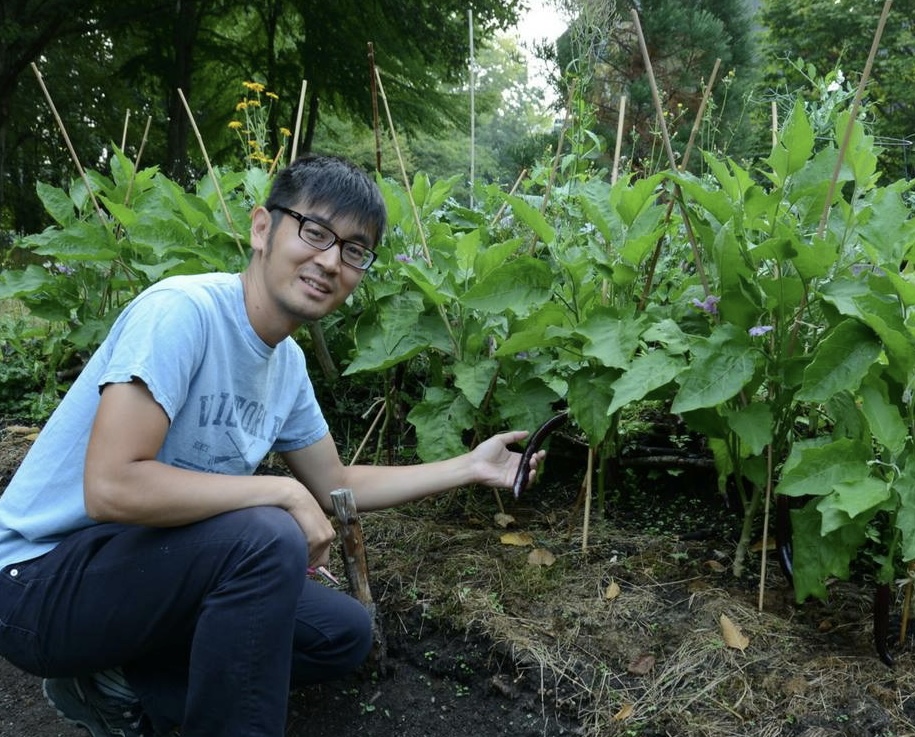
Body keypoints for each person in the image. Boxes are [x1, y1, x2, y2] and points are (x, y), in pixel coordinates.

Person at [0, 154, 545, 737]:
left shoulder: (286, 365)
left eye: (354, 250)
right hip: (39, 585)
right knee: (266, 534)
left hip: (140, 577)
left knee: (341, 632)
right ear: (263, 228)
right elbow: (111, 486)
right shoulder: (182, 314)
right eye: (315, 232)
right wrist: (280, 493)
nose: (331, 261)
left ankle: (120, 688)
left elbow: (340, 485)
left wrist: (470, 465)